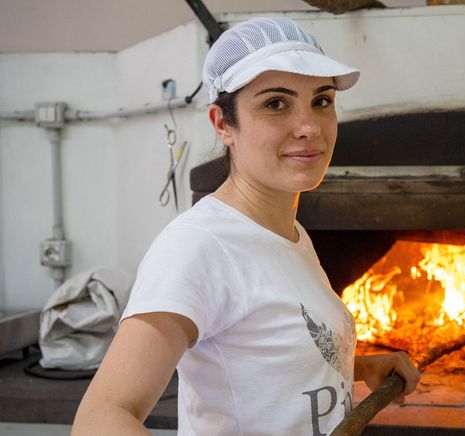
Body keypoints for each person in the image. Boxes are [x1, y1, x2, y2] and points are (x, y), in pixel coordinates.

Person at [72, 17, 420, 436]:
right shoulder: (199, 245)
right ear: (222, 124)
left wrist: (358, 367)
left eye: (322, 101)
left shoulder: (289, 234)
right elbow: (100, 419)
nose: (309, 127)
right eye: (276, 103)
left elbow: (263, 358)